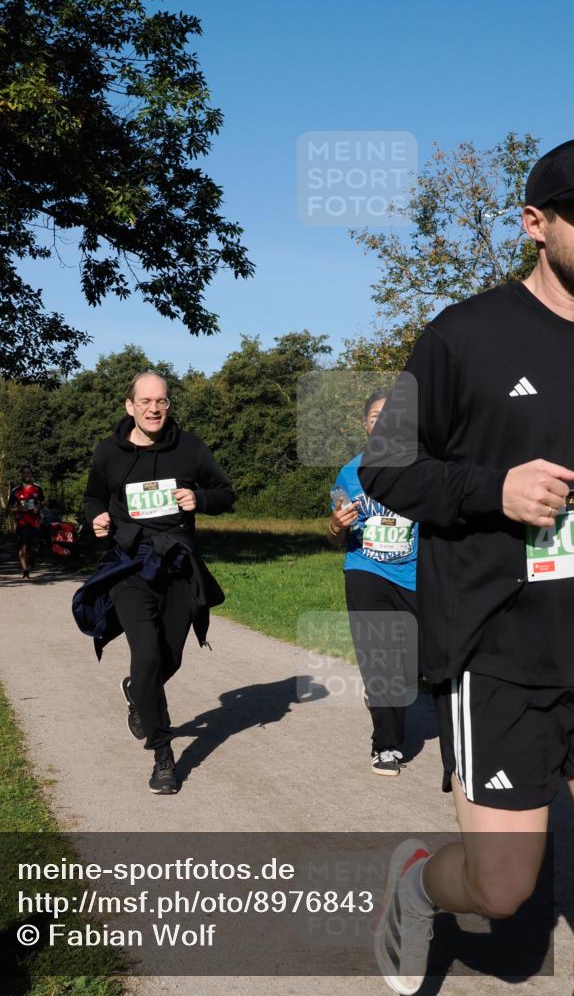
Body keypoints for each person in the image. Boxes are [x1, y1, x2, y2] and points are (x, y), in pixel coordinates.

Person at [360, 140, 574, 994]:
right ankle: (416, 886)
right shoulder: (465, 335)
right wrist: (496, 491)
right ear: (536, 224)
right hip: (504, 649)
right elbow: (384, 464)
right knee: (504, 888)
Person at [76, 370, 235, 795]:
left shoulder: (190, 448)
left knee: (169, 660)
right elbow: (92, 497)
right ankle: (163, 755)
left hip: (179, 567)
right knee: (146, 655)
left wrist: (199, 498)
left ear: (168, 404)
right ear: (130, 406)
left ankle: (137, 691)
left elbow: (225, 492)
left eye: (160, 401)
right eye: (145, 401)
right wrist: (96, 517)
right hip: (129, 567)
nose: (153, 408)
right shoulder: (109, 452)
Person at [327, 390, 419, 776]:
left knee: (413, 665)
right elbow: (336, 534)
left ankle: (382, 696)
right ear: (365, 425)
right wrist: (335, 527)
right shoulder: (350, 473)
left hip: (416, 575)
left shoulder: (422, 470)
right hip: (366, 570)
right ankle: (386, 746)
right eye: (374, 416)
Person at [7, 465, 45, 580]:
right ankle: (25, 570)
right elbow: (8, 508)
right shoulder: (16, 490)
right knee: (23, 548)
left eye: (29, 472)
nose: (27, 475)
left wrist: (38, 508)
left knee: (35, 547)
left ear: (31, 474)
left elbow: (43, 501)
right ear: (22, 475)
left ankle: (32, 559)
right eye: (24, 473)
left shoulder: (37, 488)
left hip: (35, 522)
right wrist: (19, 509)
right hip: (22, 523)